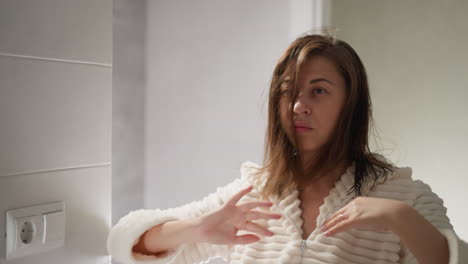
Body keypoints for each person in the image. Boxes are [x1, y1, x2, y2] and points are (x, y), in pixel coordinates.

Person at [107, 33, 468, 264]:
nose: (298, 106)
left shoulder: (403, 197)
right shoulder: (254, 193)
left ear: (351, 105)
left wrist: (398, 217)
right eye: (287, 91)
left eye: (318, 91)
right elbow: (127, 240)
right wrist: (198, 228)